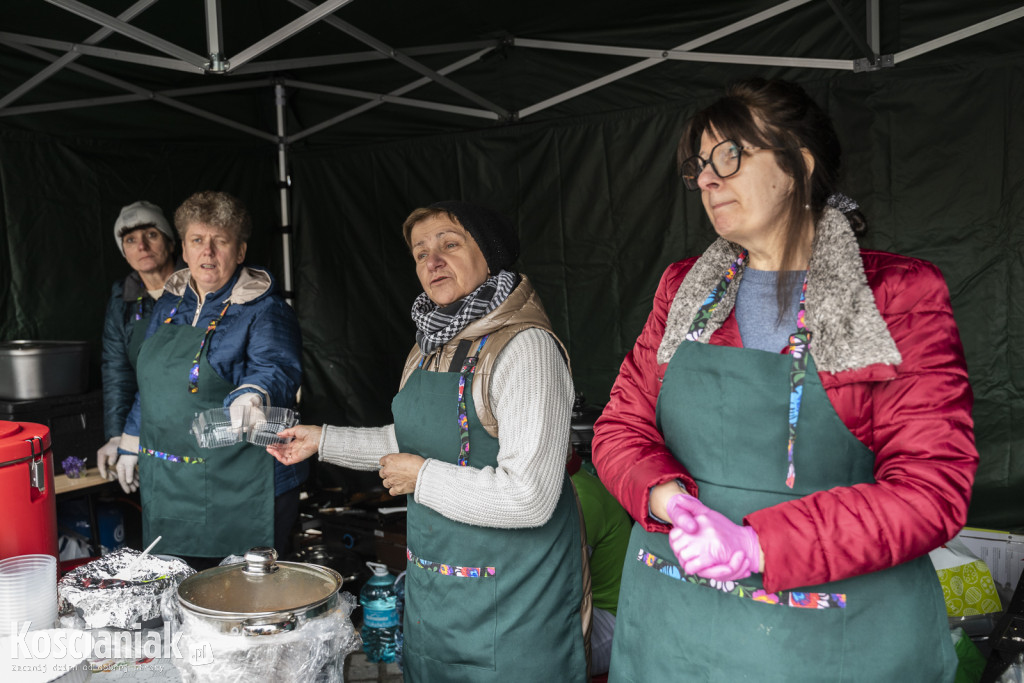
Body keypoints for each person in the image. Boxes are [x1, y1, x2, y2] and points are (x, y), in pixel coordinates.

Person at [591, 78, 978, 682]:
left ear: (798, 164)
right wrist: (671, 501)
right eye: (700, 165)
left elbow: (933, 488)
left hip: (830, 637)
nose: (707, 180)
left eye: (730, 156)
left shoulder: (896, 294)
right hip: (673, 625)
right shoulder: (682, 290)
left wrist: (756, 546)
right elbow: (620, 426)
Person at [269, 201, 590, 682]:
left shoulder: (526, 349)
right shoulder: (427, 347)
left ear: (491, 255)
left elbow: (529, 499)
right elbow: (409, 439)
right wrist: (323, 440)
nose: (432, 261)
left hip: (516, 605)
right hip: (437, 599)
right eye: (421, 253)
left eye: (450, 244)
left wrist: (421, 477)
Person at [119, 190, 306, 567]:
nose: (208, 252)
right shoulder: (169, 306)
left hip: (242, 486)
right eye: (197, 241)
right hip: (171, 483)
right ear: (183, 251)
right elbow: (154, 383)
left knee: (244, 604)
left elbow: (277, 368)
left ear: (239, 252)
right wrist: (129, 438)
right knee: (177, 595)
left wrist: (251, 397)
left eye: (220, 241)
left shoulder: (264, 309)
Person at [96, 201, 178, 492]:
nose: (141, 246)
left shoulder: (199, 285)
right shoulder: (122, 300)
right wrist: (119, 435)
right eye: (131, 240)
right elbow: (117, 370)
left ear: (170, 242)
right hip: (145, 429)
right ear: (124, 251)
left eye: (151, 235)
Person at [568, 450, 630, 676]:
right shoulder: (574, 483)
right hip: (586, 606)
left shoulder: (580, 496)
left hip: (610, 617)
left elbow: (563, 588)